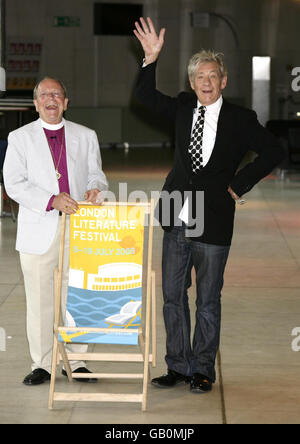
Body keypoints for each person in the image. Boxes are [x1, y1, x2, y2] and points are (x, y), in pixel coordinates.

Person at [134, 17, 284, 393]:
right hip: (175, 217)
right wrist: (150, 59)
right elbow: (145, 98)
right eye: (199, 76)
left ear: (224, 81)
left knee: (207, 300)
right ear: (191, 82)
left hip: (213, 219)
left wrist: (239, 183)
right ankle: (178, 365)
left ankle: (202, 368)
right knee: (172, 296)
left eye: (212, 75)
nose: (206, 81)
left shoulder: (240, 118)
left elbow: (274, 150)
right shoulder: (185, 107)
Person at [3, 77, 108, 385]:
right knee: (39, 300)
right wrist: (50, 200)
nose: (51, 99)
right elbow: (13, 183)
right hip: (38, 229)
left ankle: (77, 361)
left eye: (57, 94)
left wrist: (94, 189)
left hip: (79, 228)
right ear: (36, 103)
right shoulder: (19, 138)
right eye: (44, 95)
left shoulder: (86, 135)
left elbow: (97, 175)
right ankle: (43, 364)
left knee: (77, 296)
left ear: (66, 101)